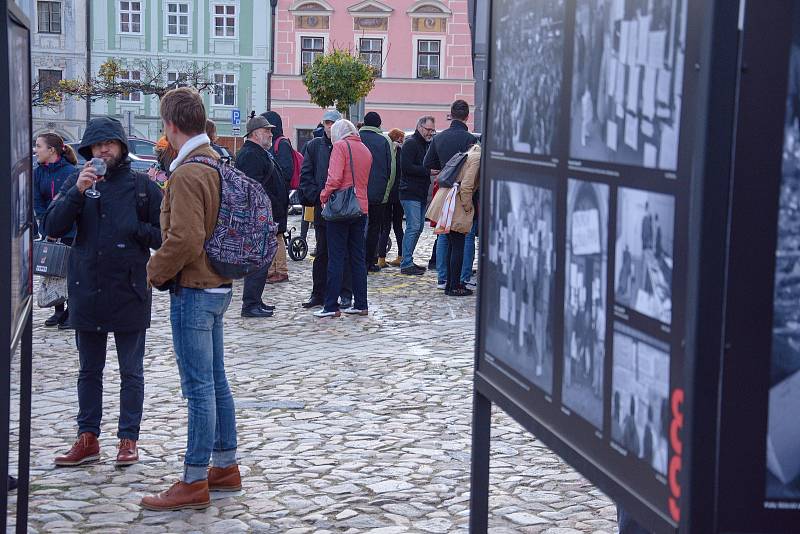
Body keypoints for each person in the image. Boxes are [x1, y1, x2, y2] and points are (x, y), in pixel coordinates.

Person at [142, 87, 241, 511]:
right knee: (216, 380)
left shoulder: (187, 172)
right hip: (218, 285)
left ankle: (194, 478)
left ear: (170, 125)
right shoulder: (215, 160)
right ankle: (225, 465)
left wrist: (152, 272)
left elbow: (185, 238)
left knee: (198, 387)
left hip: (195, 290)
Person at [43, 117, 162, 468]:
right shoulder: (75, 183)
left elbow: (164, 234)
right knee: (88, 371)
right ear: (88, 151)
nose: (103, 150)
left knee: (131, 372)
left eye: (109, 143)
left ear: (122, 147)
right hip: (86, 289)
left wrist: (137, 230)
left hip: (128, 288)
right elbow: (52, 226)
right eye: (96, 146)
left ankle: (128, 439)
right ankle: (87, 437)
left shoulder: (143, 187)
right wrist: (76, 193)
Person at [315, 119, 372, 318]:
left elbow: (335, 178)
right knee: (357, 257)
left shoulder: (340, 147)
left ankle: (331, 305)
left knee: (336, 257)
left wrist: (324, 195)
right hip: (361, 208)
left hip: (340, 208)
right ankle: (361, 303)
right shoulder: (365, 149)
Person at [297, 109, 353, 309]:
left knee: (343, 251)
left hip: (344, 208)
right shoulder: (313, 146)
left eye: (333, 123)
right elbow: (306, 175)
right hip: (323, 208)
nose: (329, 127)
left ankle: (345, 293)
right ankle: (318, 293)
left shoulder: (347, 146)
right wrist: (317, 197)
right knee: (321, 253)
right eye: (327, 123)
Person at [235, 115, 284, 318]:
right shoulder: (250, 154)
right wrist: (271, 201)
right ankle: (250, 304)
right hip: (258, 216)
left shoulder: (258, 152)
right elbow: (252, 187)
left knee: (262, 261)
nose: (271, 134)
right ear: (255, 134)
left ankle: (256, 300)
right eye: (267, 131)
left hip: (265, 215)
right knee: (258, 260)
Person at [425, 100, 478, 289]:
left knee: (443, 235)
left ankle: (443, 277)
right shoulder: (470, 140)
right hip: (464, 192)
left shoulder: (439, 138)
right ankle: (461, 278)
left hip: (444, 190)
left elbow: (427, 163)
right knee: (465, 236)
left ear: (451, 114)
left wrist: (444, 170)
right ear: (467, 116)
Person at [33, 133, 78, 328]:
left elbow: (73, 202)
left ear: (51, 150)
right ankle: (57, 310)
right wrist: (47, 224)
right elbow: (37, 200)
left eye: (38, 146)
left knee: (68, 271)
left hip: (70, 231)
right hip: (48, 229)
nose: (36, 150)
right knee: (51, 269)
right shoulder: (38, 172)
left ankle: (71, 311)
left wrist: (61, 226)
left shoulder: (70, 172)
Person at [399, 115, 436, 275]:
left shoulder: (424, 145)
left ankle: (408, 260)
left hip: (419, 192)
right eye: (428, 129)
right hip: (409, 191)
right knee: (413, 227)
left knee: (418, 227)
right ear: (420, 127)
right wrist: (427, 171)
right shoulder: (411, 143)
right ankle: (406, 263)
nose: (430, 133)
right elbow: (406, 167)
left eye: (432, 130)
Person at [359, 112, 395, 273]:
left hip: (357, 192)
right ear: (379, 124)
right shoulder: (384, 140)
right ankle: (369, 261)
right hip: (377, 193)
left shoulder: (356, 138)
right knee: (374, 227)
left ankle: (357, 260)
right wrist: (385, 191)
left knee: (358, 227)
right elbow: (390, 169)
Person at [263, 111, 294, 284]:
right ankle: (273, 269)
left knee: (278, 233)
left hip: (280, 194)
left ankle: (280, 270)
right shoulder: (273, 144)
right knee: (274, 232)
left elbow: (286, 170)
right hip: (275, 194)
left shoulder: (281, 144)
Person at [377, 128, 405, 268]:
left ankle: (381, 258)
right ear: (399, 138)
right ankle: (401, 256)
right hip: (399, 193)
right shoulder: (401, 152)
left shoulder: (386, 151)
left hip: (386, 193)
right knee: (398, 226)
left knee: (385, 227)